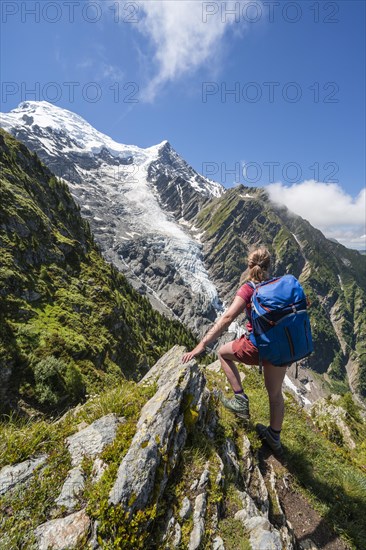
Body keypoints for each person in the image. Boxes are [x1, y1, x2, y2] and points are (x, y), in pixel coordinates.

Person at [182, 247, 287, 454]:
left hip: (258, 347)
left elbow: (227, 318)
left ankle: (240, 400)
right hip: (282, 348)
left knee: (222, 352)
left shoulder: (248, 289)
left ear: (249, 266)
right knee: (275, 395)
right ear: (269, 266)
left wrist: (202, 344)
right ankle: (274, 438)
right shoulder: (277, 285)